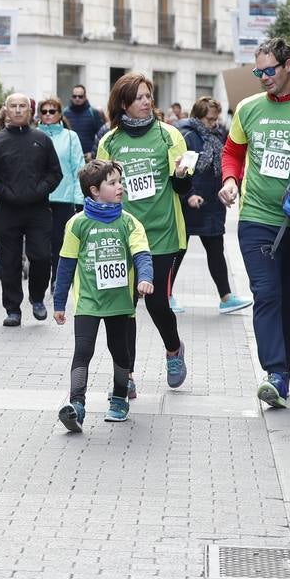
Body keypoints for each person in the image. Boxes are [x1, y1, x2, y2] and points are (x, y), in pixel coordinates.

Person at [219, 38, 290, 408]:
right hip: (256, 218)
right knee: (266, 294)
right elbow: (233, 151)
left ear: (289, 65)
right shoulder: (247, 108)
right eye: (257, 71)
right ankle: (274, 373)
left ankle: (286, 367)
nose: (263, 77)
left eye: (269, 70)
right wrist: (230, 180)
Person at [97, 73, 193, 395]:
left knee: (156, 302)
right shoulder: (109, 141)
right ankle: (127, 376)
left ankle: (173, 349)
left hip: (163, 236)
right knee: (124, 307)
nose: (146, 101)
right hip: (122, 235)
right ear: (123, 102)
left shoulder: (169, 136)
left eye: (148, 95)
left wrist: (181, 175)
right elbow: (99, 189)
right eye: (138, 97)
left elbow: (183, 186)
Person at [53, 160, 155, 429]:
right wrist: (59, 302)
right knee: (83, 351)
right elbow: (66, 264)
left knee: (120, 352)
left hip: (120, 303)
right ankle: (77, 404)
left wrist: (145, 278)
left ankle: (120, 399)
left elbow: (142, 254)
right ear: (94, 190)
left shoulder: (130, 223)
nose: (120, 186)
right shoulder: (77, 224)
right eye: (113, 183)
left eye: (120, 181)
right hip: (88, 302)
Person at [0, 93, 64, 327]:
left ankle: (37, 298)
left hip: (38, 209)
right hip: (8, 210)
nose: (18, 110)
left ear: (30, 111)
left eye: (22, 106)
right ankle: (13, 309)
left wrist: (40, 190)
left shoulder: (42, 139)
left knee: (41, 257)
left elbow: (55, 173)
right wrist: (5, 193)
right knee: (10, 262)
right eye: (13, 106)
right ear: (6, 110)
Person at [177, 97, 252, 315]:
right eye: (210, 119)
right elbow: (182, 170)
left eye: (216, 118)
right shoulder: (188, 136)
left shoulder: (218, 135)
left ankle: (226, 297)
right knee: (178, 250)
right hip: (192, 203)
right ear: (199, 116)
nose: (214, 123)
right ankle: (165, 293)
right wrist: (189, 195)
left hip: (212, 202)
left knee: (216, 252)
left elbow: (228, 162)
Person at [37, 96, 85, 290]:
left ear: (59, 114)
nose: (48, 115)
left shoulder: (71, 137)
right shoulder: (34, 135)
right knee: (40, 243)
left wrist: (79, 198)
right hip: (38, 197)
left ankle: (56, 279)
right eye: (44, 111)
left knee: (59, 241)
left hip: (64, 197)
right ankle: (40, 278)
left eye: (52, 111)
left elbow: (78, 167)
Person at [63, 85, 106, 159]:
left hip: (88, 159)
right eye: (74, 96)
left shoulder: (93, 113)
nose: (77, 98)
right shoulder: (65, 113)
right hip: (70, 157)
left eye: (80, 96)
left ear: (85, 97)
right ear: (71, 97)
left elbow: (103, 136)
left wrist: (93, 153)